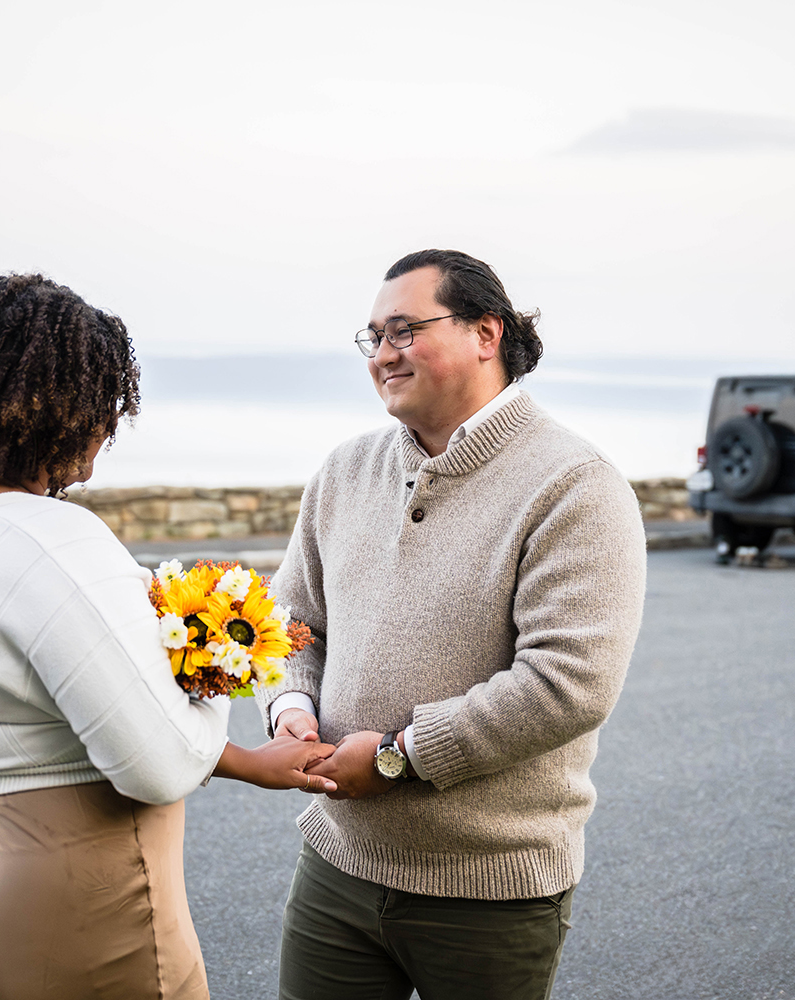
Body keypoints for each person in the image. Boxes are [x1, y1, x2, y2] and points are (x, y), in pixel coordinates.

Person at [0, 273, 336, 1000]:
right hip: (63, 900)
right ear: (54, 405)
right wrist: (209, 665)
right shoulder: (52, 541)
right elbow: (155, 763)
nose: (107, 430)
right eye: (104, 407)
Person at [259, 249, 649, 1000]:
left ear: (486, 332)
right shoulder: (345, 470)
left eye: (403, 330)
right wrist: (290, 710)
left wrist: (398, 758)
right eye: (371, 337)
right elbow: (291, 619)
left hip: (488, 889)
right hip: (336, 866)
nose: (381, 355)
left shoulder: (575, 485)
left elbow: (569, 684)